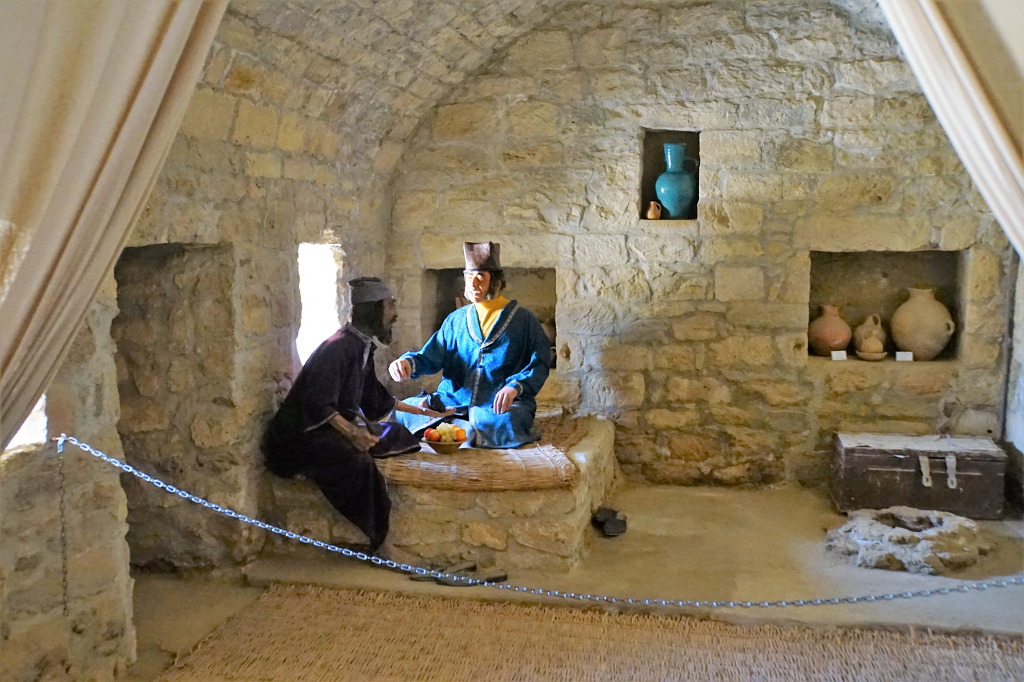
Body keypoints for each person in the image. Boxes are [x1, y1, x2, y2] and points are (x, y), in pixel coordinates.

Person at [264, 277, 450, 552]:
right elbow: (317, 403)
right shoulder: (338, 347)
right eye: (390, 306)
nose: (395, 314)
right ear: (374, 309)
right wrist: (353, 433)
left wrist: (422, 411)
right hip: (300, 438)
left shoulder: (360, 346)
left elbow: (375, 397)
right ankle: (378, 539)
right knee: (357, 462)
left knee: (397, 434)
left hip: (329, 429)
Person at [388, 242, 552, 449]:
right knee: (404, 409)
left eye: (480, 277)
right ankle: (465, 428)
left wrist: (515, 387)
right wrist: (407, 363)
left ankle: (457, 427)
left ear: (497, 283)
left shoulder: (523, 319)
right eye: (468, 277)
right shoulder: (456, 319)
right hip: (453, 400)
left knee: (508, 419)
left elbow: (540, 363)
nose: (473, 284)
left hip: (496, 406)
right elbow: (431, 355)